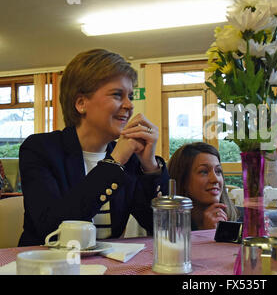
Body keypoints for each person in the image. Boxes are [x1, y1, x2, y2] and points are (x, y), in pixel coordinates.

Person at [18, 49, 169, 246]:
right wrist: (114, 162)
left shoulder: (129, 157)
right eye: (117, 95)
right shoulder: (39, 149)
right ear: (81, 103)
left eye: (130, 96)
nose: (129, 105)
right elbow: (53, 228)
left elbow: (160, 227)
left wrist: (150, 167)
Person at [168, 142, 239, 230]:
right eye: (204, 172)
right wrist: (206, 233)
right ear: (182, 179)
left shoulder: (242, 220)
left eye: (218, 171)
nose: (215, 179)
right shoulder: (168, 229)